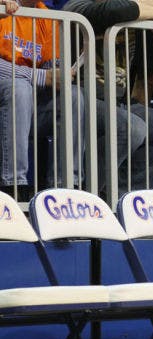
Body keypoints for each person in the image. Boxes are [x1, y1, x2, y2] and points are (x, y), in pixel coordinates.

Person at [63, 0, 153, 195]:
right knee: (131, 127)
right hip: (80, 98)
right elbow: (113, 10)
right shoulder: (77, 7)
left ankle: (120, 196)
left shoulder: (131, 9)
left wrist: (150, 10)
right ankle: (88, 194)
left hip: (119, 102)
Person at [0, 0, 83, 198]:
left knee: (72, 95)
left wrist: (57, 73)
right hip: (10, 92)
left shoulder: (46, 16)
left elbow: (47, 66)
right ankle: (13, 186)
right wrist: (39, 76)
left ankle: (65, 188)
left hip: (29, 97)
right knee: (19, 88)